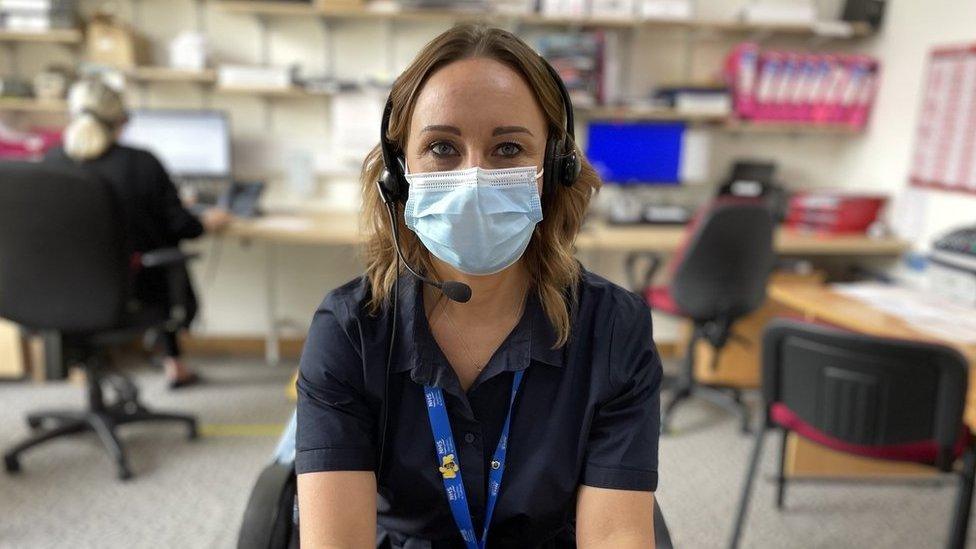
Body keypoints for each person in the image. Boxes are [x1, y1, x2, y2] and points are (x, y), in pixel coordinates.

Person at [296, 25, 662, 548]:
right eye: (442, 147)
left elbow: (615, 537)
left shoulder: (613, 326)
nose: (474, 178)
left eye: (508, 148)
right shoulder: (350, 330)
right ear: (399, 176)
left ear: (552, 168)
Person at [44, 78, 232, 389]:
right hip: (135, 293)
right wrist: (206, 220)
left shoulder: (52, 161)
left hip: (61, 293)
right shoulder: (141, 163)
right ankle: (174, 365)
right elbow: (182, 227)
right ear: (120, 121)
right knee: (161, 252)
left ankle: (82, 367)